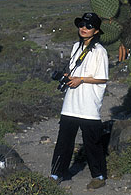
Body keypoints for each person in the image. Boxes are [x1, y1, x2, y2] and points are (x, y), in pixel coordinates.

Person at [50, 12, 109, 190]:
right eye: (82, 24)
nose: (84, 28)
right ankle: (56, 174)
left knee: (92, 143)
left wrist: (81, 79)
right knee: (63, 141)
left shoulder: (100, 51)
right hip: (70, 104)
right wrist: (69, 76)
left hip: (89, 105)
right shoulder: (76, 46)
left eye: (89, 26)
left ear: (96, 30)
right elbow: (74, 69)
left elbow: (102, 79)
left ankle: (98, 176)